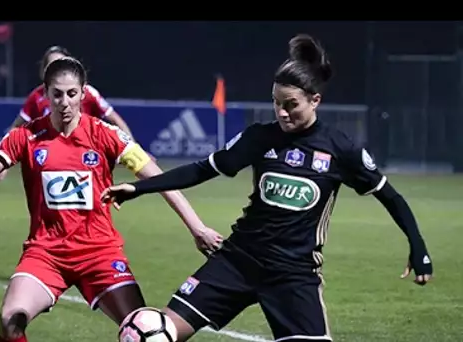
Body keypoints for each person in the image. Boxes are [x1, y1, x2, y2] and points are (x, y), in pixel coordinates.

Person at [102, 34, 434, 342]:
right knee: (152, 334)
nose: (282, 112)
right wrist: (139, 188)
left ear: (314, 100)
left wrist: (417, 245)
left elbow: (391, 196)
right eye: (276, 103)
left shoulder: (340, 149)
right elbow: (201, 170)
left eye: (291, 104)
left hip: (294, 273)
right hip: (237, 261)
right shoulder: (260, 137)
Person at [0, 56, 223, 342]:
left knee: (142, 328)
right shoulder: (25, 136)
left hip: (100, 254)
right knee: (10, 319)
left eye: (71, 94)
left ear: (83, 94)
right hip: (46, 253)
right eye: (57, 94)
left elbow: (162, 181)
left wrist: (197, 228)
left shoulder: (106, 134)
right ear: (45, 94)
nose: (64, 102)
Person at [0, 45, 137, 184]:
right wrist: (4, 161)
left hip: (86, 159)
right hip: (50, 161)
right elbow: (16, 128)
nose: (64, 102)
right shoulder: (36, 97)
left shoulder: (87, 93)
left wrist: (134, 151)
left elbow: (116, 120)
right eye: (51, 66)